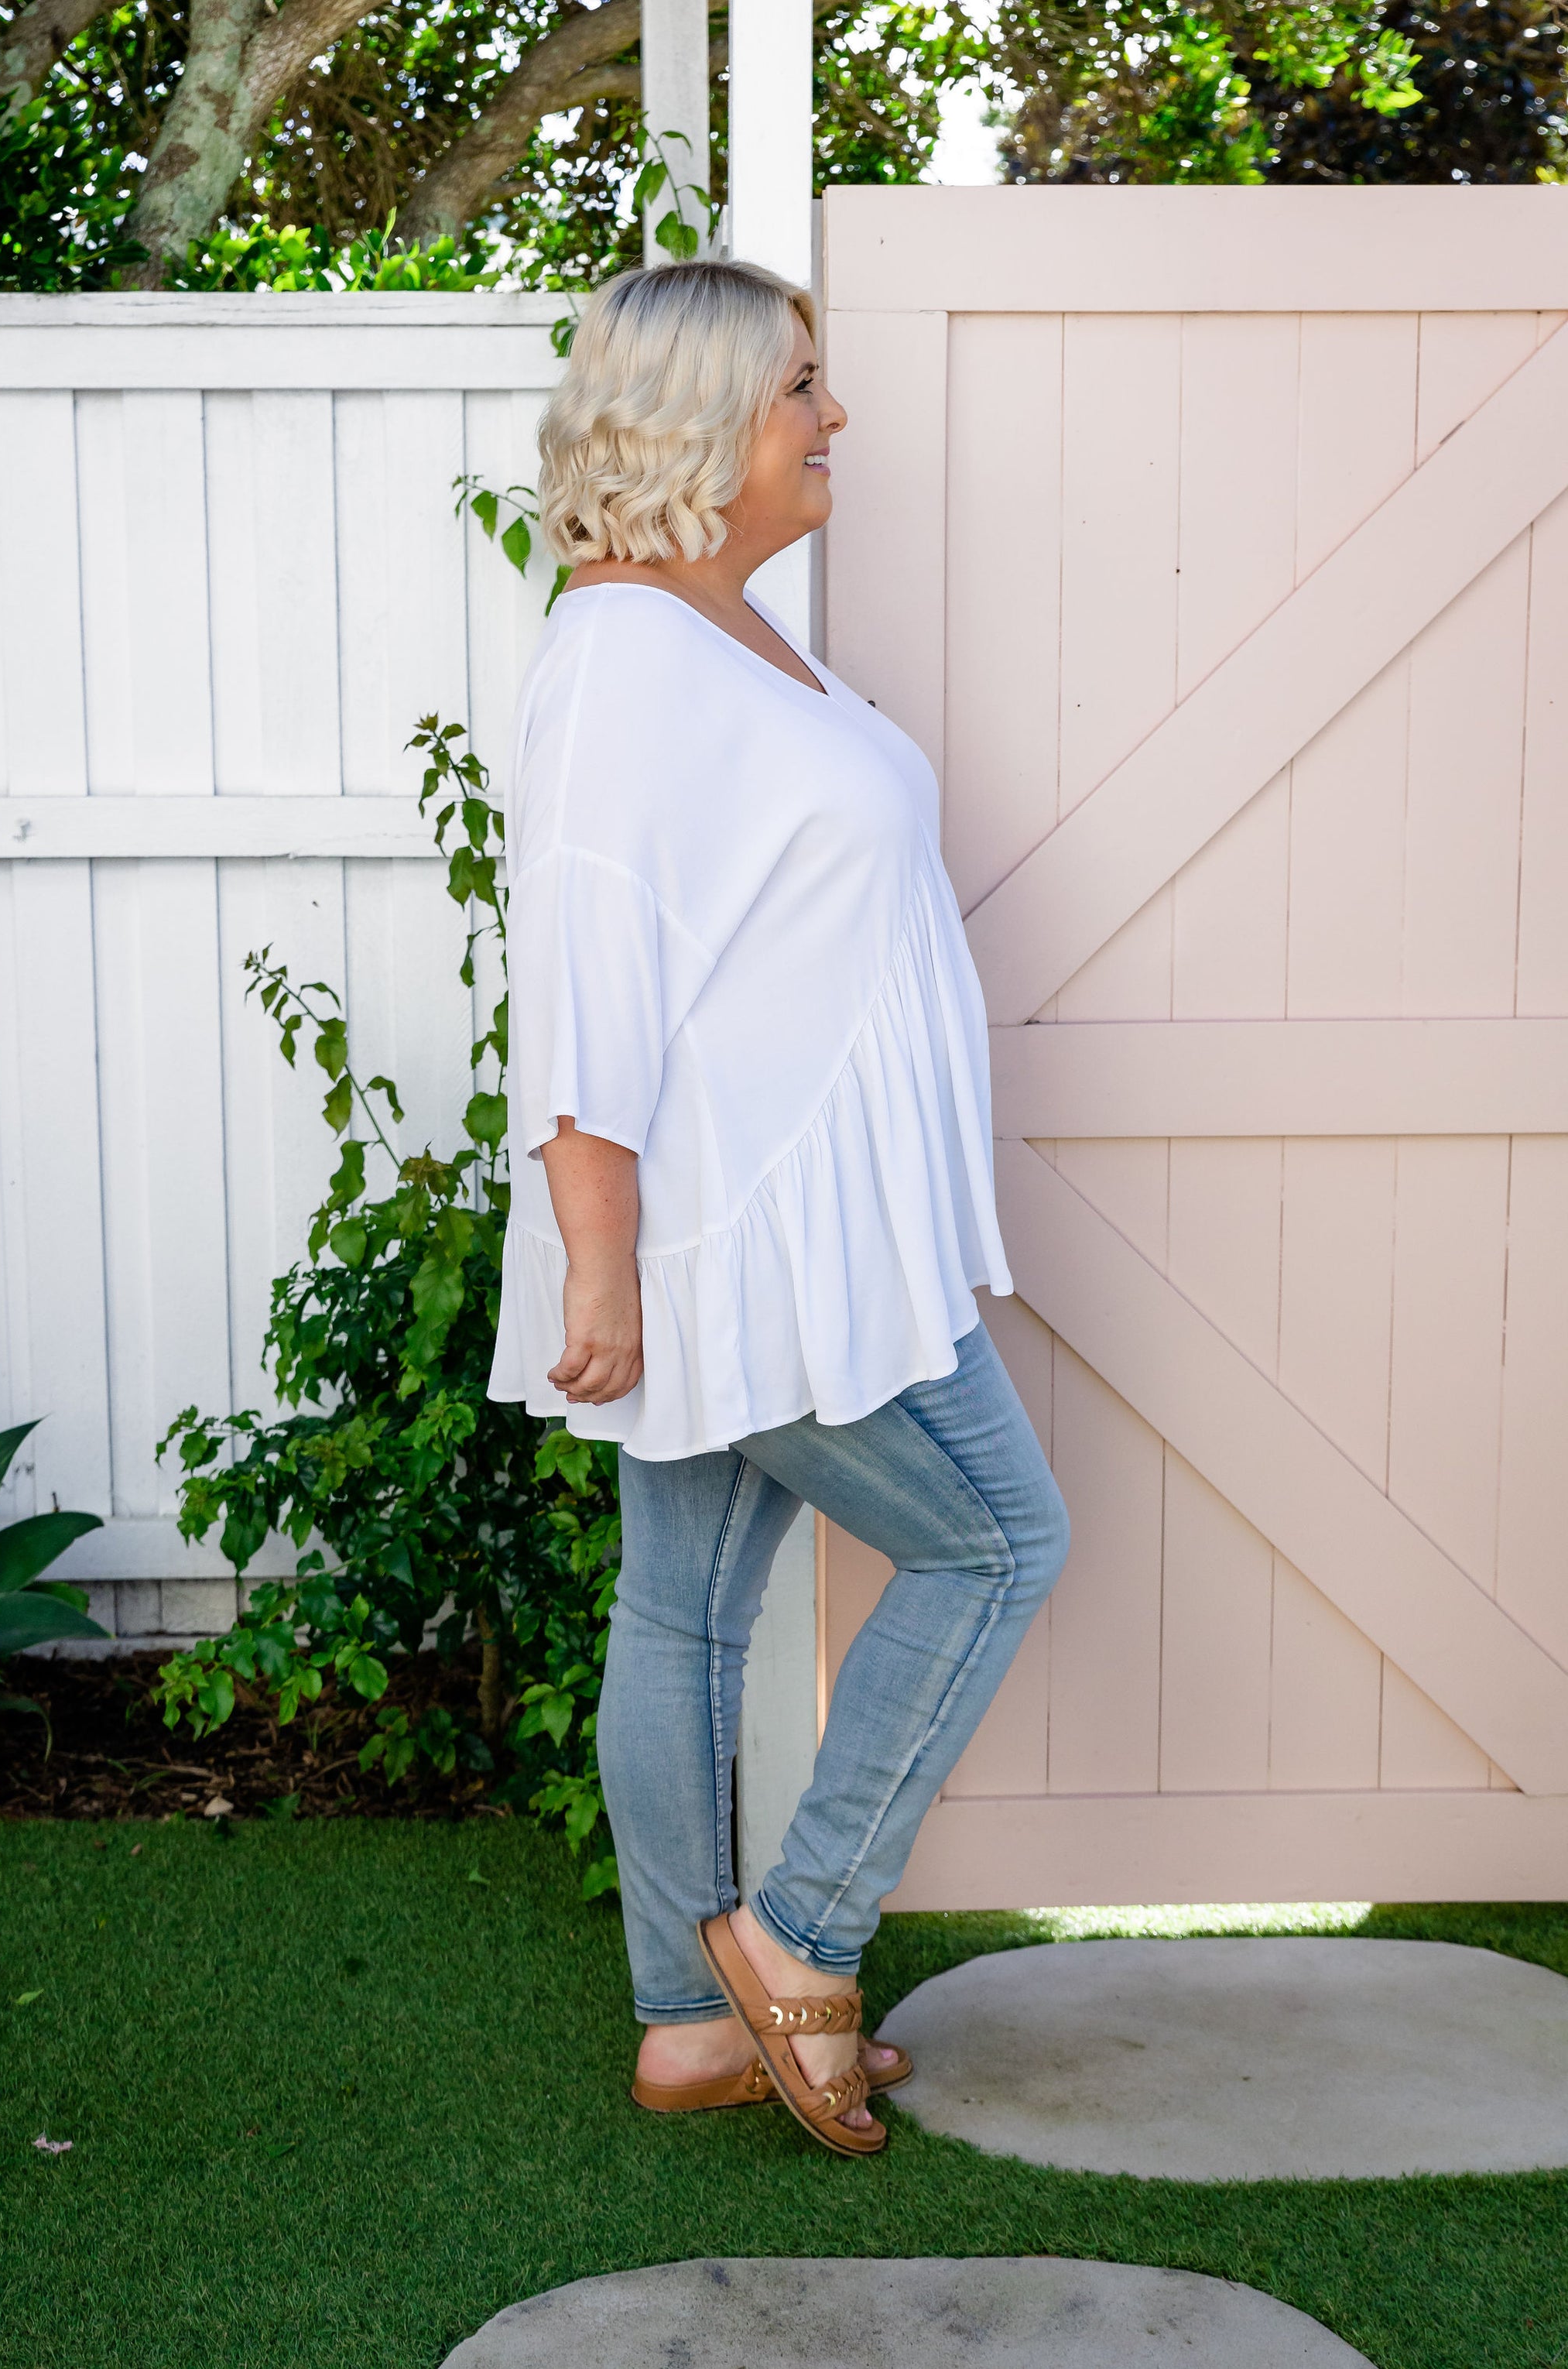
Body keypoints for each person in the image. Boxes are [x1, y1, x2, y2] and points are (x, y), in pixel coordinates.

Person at [487, 258, 1070, 2158]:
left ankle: (686, 2023)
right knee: (997, 1542)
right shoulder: (625, 655)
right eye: (801, 389)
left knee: (684, 1612)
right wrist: (599, 1254)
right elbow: (585, 966)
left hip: (795, 1228)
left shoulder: (733, 630)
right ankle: (797, 1942)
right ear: (696, 420)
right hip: (740, 1248)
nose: (833, 421)